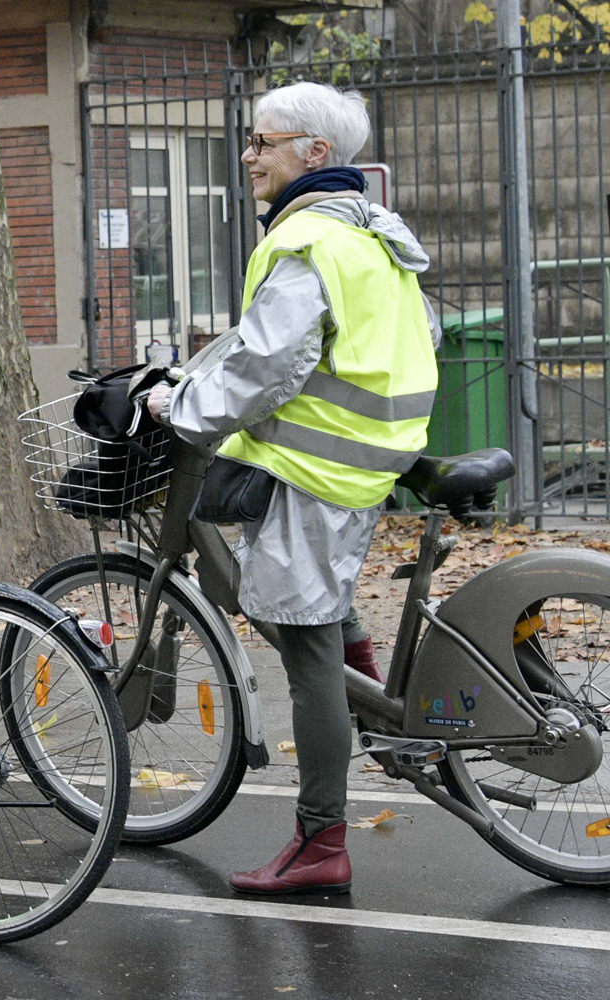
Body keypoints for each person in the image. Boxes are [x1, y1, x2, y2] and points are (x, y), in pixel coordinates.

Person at [145, 81, 439, 895]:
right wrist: (207, 374)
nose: (248, 155)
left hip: (320, 468)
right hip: (369, 456)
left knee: (303, 647)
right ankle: (374, 709)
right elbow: (292, 346)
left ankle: (320, 843)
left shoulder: (306, 239)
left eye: (262, 142)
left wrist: (184, 409)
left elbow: (271, 364)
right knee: (325, 610)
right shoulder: (369, 231)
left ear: (315, 153)